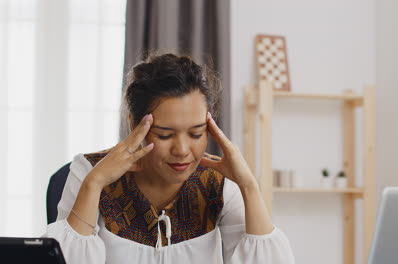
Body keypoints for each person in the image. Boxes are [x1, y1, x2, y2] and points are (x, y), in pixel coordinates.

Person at [45, 53, 294, 263]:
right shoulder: (87, 171)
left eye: (197, 133)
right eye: (165, 135)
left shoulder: (218, 184)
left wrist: (248, 185)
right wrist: (94, 183)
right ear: (135, 124)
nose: (183, 149)